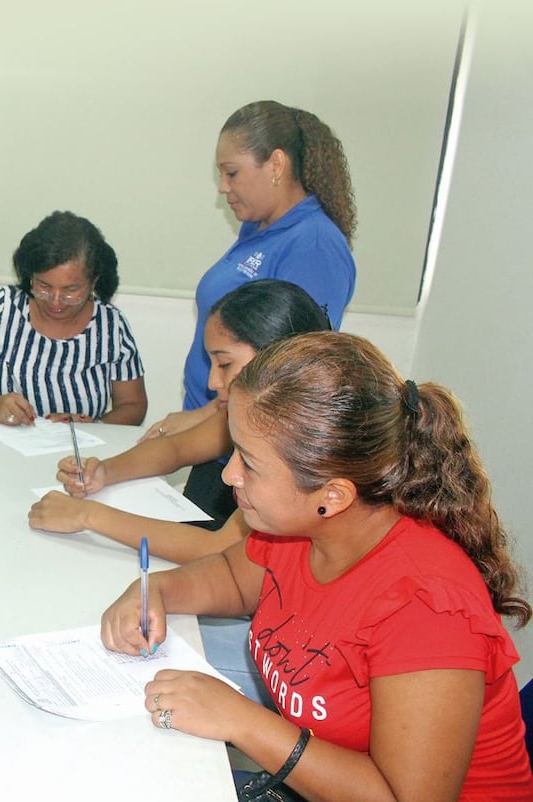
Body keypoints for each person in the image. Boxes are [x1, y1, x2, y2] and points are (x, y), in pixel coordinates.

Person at [101, 332, 533, 801]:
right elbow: (230, 576)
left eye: (250, 463)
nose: (229, 475)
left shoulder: (426, 608)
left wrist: (242, 720)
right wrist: (155, 591)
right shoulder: (303, 528)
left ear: (332, 494)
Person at [144, 100, 357, 521]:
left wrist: (200, 416)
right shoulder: (258, 229)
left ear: (276, 164)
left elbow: (288, 370)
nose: (223, 187)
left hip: (252, 456)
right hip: (220, 441)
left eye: (232, 172)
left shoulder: (311, 244)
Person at [30, 279, 331, 549]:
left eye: (224, 364)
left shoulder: (302, 447)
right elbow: (176, 448)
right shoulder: (253, 414)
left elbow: (218, 550)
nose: (213, 382)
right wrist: (105, 472)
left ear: (276, 357)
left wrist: (88, 515)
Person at [0, 210, 147, 426]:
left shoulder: (110, 326)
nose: (55, 301)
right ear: (30, 275)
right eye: (43, 286)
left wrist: (94, 427)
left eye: (70, 290)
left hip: (78, 454)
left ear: (94, 282)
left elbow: (133, 406)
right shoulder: (2, 308)